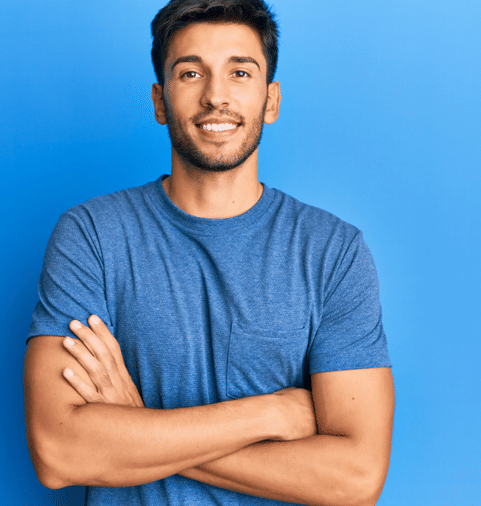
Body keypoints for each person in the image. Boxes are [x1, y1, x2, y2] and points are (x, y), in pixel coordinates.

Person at [23, 0, 395, 504]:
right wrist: (270, 413)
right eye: (191, 73)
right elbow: (60, 451)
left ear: (270, 100)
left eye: (240, 72)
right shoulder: (91, 236)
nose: (216, 96)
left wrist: (137, 427)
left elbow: (355, 478)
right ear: (160, 101)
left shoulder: (332, 252)